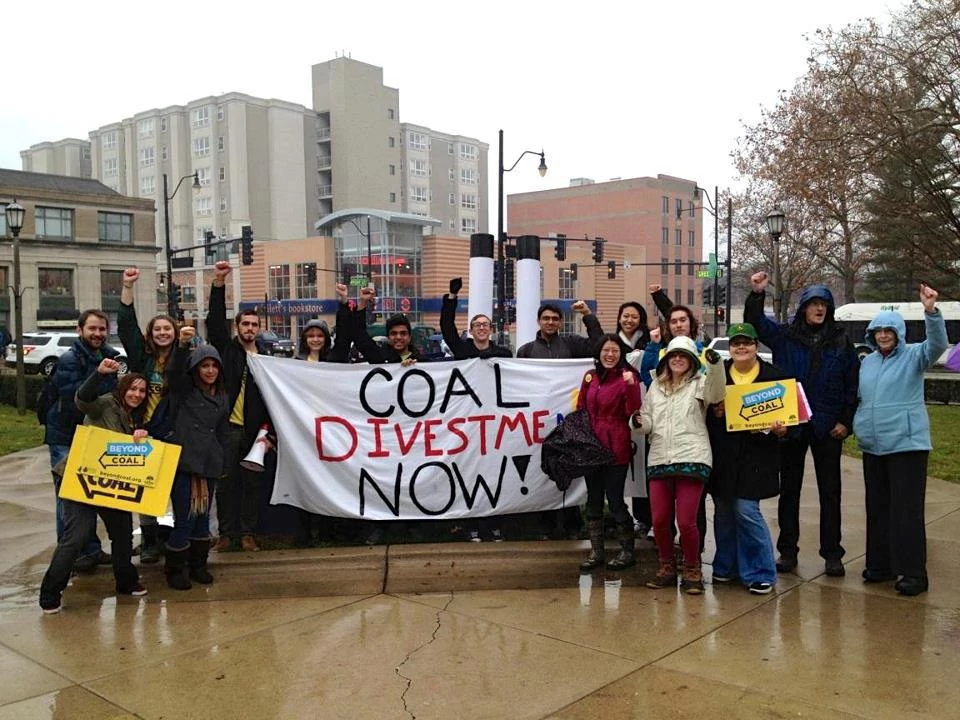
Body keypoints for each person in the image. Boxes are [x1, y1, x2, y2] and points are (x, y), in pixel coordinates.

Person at [744, 273, 860, 577]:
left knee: (830, 492)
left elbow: (852, 384)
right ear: (804, 308)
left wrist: (845, 422)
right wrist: (757, 293)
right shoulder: (785, 336)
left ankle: (832, 553)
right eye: (814, 304)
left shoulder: (841, 341)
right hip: (793, 425)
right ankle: (788, 551)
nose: (819, 309)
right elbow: (756, 322)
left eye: (824, 304)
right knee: (790, 491)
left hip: (828, 425)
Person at [854, 283, 946, 597]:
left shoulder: (914, 356)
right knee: (877, 508)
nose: (882, 335)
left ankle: (913, 573)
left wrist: (931, 311)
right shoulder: (867, 363)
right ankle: (880, 566)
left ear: (899, 332)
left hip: (907, 445)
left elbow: (937, 344)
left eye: (888, 330)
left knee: (906, 511)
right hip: (873, 445)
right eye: (877, 330)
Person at [39, 360, 149, 613]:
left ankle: (126, 581)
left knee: (122, 534)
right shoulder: (105, 404)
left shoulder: (136, 418)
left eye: (142, 391)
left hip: (112, 485)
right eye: (132, 389)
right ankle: (50, 591)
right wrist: (98, 374)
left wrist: (140, 439)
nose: (137, 394)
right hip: (80, 478)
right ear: (122, 388)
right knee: (77, 535)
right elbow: (83, 398)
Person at [636, 336, 724, 594]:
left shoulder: (700, 384)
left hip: (692, 458)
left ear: (691, 361)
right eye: (673, 355)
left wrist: (716, 365)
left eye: (683, 356)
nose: (677, 359)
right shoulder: (655, 387)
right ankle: (666, 566)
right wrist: (638, 422)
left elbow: (718, 393)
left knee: (687, 521)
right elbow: (648, 420)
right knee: (660, 520)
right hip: (660, 458)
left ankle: (692, 568)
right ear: (666, 359)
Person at [706, 323, 789, 595]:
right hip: (723, 456)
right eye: (736, 343)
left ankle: (760, 571)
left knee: (746, 511)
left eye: (747, 343)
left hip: (756, 458)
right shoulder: (717, 375)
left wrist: (782, 430)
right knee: (723, 513)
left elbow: (793, 419)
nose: (741, 347)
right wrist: (715, 414)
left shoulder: (774, 377)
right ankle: (726, 566)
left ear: (756, 346)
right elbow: (703, 410)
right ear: (730, 347)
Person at [44, 310, 119, 572]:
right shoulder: (68, 359)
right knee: (68, 500)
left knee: (90, 494)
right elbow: (75, 402)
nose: (97, 334)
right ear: (80, 330)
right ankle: (71, 554)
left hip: (90, 437)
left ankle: (92, 550)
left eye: (102, 329)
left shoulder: (109, 355)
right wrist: (98, 377)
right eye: (92, 329)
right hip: (65, 436)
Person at [206, 261, 271, 553]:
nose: (249, 328)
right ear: (237, 327)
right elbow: (215, 320)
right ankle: (226, 533)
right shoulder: (227, 350)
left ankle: (247, 533)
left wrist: (269, 431)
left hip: (256, 431)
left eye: (254, 325)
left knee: (252, 484)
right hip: (227, 429)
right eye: (245, 324)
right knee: (226, 483)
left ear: (260, 329)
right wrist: (219, 283)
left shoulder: (269, 357)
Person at [117, 267, 179, 564]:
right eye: (158, 329)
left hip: (174, 433)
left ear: (175, 333)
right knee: (144, 490)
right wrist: (127, 287)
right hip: (143, 430)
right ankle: (151, 542)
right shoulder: (143, 357)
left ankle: (177, 539)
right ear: (151, 334)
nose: (163, 333)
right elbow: (126, 326)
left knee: (175, 489)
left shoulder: (184, 357)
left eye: (168, 329)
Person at [163, 327, 230, 590]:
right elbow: (173, 372)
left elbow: (223, 431)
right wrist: (181, 345)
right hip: (184, 463)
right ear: (195, 368)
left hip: (209, 464)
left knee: (203, 517)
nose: (210, 371)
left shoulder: (222, 396)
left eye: (214, 365)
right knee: (185, 517)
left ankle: (198, 565)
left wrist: (222, 460)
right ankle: (175, 569)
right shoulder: (184, 391)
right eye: (204, 366)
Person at [293, 285, 353, 547]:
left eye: (320, 335)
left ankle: (330, 531)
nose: (316, 339)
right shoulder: (293, 365)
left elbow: (345, 337)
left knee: (331, 480)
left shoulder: (335, 358)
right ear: (305, 339)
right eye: (311, 335)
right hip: (304, 431)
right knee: (307, 481)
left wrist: (343, 304)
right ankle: (307, 532)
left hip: (331, 431)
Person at [576, 334, 643, 571]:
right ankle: (597, 552)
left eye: (615, 350)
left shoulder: (628, 377)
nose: (610, 354)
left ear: (621, 354)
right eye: (606, 350)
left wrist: (631, 386)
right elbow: (581, 407)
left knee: (615, 499)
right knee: (593, 500)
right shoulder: (590, 377)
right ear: (599, 352)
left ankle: (627, 551)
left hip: (616, 446)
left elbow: (634, 411)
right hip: (591, 446)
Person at [440, 277, 512, 360]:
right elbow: (447, 327)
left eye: (485, 325)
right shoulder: (462, 350)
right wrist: (452, 295)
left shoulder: (503, 354)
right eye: (477, 325)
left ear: (491, 330)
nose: (481, 328)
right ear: (471, 331)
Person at [515, 302, 602, 359]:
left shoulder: (572, 344)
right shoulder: (525, 351)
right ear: (538, 321)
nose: (550, 322)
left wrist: (587, 314)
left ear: (560, 323)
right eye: (546, 318)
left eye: (555, 319)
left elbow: (599, 346)